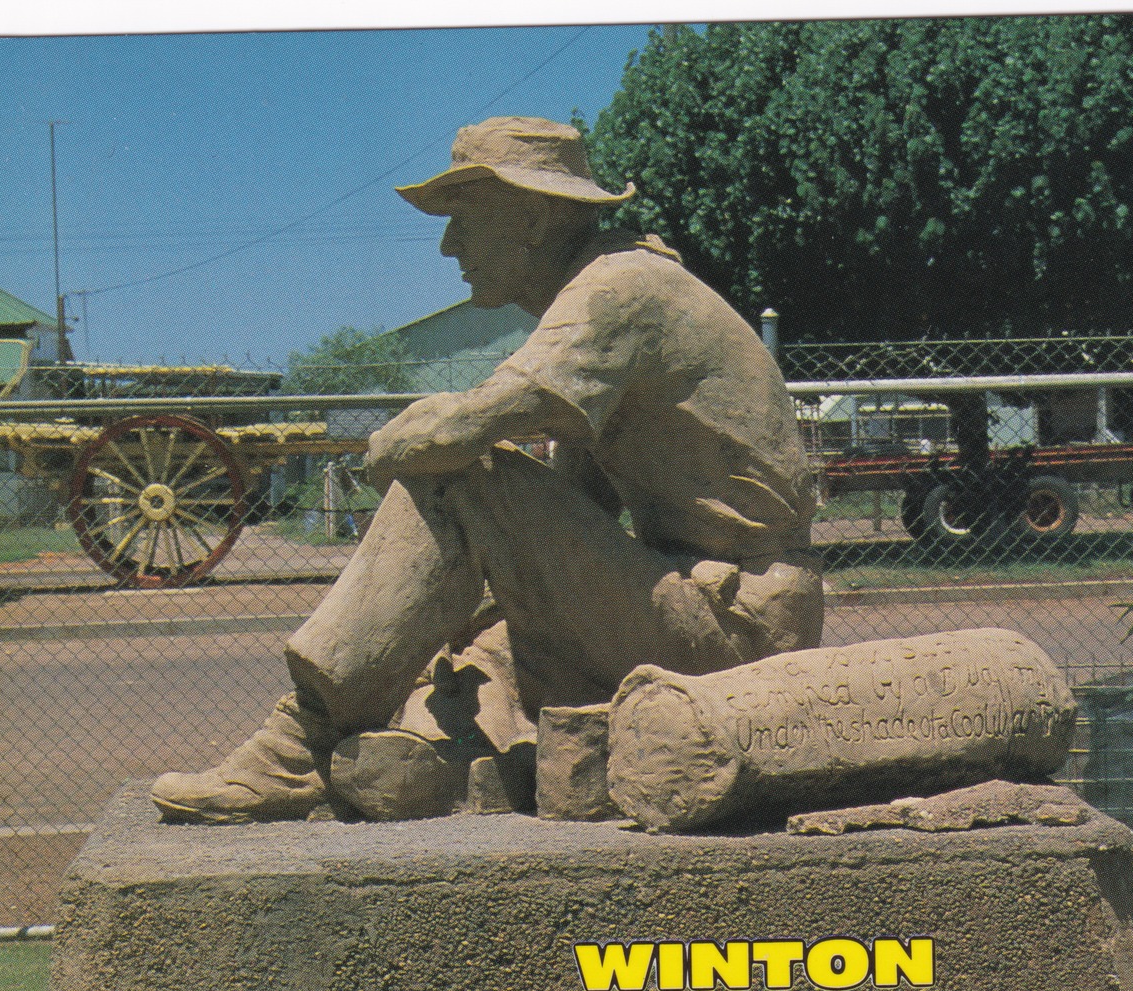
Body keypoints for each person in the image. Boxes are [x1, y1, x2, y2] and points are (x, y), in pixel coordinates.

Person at [152, 117, 823, 824]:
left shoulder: (620, 291)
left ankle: (300, 746)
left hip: (736, 631)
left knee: (460, 476)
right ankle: (433, 754)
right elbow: (566, 514)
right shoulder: (616, 291)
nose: (448, 246)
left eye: (464, 221)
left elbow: (456, 435)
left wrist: (389, 445)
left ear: (531, 219)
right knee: (479, 653)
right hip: (699, 612)